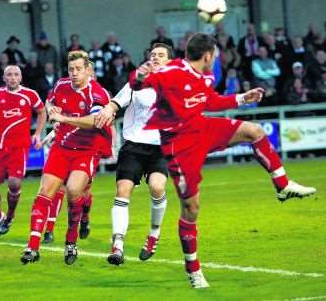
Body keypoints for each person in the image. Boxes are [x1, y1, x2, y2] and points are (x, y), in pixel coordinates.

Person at [129, 33, 316, 289]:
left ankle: (282, 186)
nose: (216, 57)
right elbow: (139, 83)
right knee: (191, 208)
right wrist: (139, 76)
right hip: (180, 146)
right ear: (207, 55)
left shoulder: (205, 76)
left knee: (254, 132)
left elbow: (210, 100)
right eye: (214, 54)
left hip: (202, 128)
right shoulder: (172, 72)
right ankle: (193, 270)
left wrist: (242, 98)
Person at [20, 51, 111, 266]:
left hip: (86, 150)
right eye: (71, 69)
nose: (74, 73)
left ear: (88, 70)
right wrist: (52, 108)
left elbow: (95, 120)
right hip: (61, 147)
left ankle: (71, 240)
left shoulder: (97, 93)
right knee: (45, 193)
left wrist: (64, 118)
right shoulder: (61, 85)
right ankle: (32, 246)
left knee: (72, 192)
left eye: (79, 69)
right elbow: (49, 100)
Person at [94, 43, 172, 266]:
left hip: (160, 148)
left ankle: (153, 235)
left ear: (170, 61)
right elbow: (116, 101)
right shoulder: (138, 80)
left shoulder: (176, 84)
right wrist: (108, 110)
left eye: (161, 55)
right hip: (134, 145)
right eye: (153, 54)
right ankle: (117, 244)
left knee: (157, 187)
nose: (155, 57)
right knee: (123, 189)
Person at [0, 65, 46, 238]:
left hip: (19, 147)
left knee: (14, 184)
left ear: (21, 77)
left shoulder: (30, 94)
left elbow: (42, 112)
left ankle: (10, 216)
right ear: (4, 78)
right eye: (9, 75)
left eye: (16, 74)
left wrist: (38, 133)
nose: (12, 77)